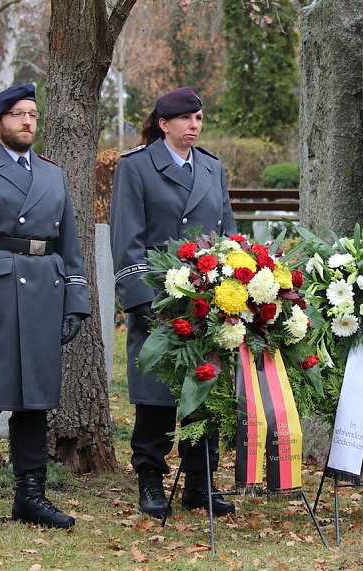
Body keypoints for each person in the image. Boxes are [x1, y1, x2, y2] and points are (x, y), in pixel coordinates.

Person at [0, 83, 90, 533]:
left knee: (34, 405)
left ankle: (30, 496)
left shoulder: (52, 174)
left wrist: (75, 302)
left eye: (32, 114)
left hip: (44, 296)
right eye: (17, 114)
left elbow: (70, 246)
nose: (27, 121)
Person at [110, 87, 238, 519]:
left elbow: (228, 236)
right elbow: (127, 240)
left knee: (205, 388)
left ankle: (200, 481)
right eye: (185, 118)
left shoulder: (211, 167)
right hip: (159, 299)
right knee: (155, 393)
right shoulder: (136, 167)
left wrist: (234, 289)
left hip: (208, 300)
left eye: (198, 118)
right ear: (163, 124)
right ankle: (150, 479)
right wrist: (142, 301)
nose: (194, 126)